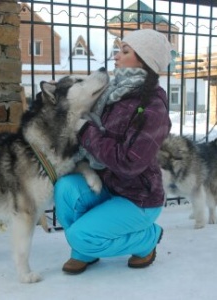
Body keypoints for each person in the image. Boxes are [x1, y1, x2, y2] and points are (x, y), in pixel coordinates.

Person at [54, 28, 172, 274]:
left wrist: (85, 130)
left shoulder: (152, 106)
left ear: (145, 60)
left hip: (138, 198)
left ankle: (147, 238)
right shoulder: (114, 92)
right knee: (65, 189)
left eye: (125, 51)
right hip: (110, 186)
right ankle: (85, 250)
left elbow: (131, 162)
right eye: (119, 50)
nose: (116, 56)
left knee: (79, 235)